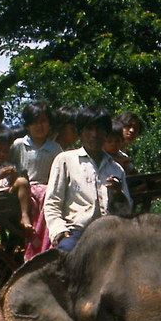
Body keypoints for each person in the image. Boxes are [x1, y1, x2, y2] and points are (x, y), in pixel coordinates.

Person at [43, 108, 134, 253]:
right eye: (89, 129)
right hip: (77, 231)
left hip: (111, 231)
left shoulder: (116, 169)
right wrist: (59, 230)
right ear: (80, 133)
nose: (95, 135)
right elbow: (52, 203)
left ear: (106, 133)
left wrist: (117, 193)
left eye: (100, 130)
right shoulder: (65, 160)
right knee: (65, 258)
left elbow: (127, 210)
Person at [11, 101, 64, 259]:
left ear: (49, 124)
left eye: (43, 121)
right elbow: (7, 166)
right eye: (34, 122)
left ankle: (44, 245)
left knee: (49, 198)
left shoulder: (55, 148)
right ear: (27, 125)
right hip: (22, 190)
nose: (39, 126)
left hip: (46, 191)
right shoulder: (19, 145)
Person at [0, 124, 35, 237]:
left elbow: (15, 185)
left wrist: (14, 176)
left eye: (6, 151)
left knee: (22, 181)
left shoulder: (10, 164)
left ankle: (24, 215)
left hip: (9, 194)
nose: (2, 154)